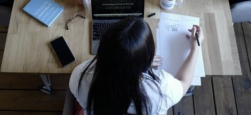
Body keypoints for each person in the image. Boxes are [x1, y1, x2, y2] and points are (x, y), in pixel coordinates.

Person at [69, 17, 204, 115]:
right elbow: (184, 83)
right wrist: (195, 48)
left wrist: (133, 61)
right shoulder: (161, 89)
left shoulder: (80, 75)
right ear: (147, 59)